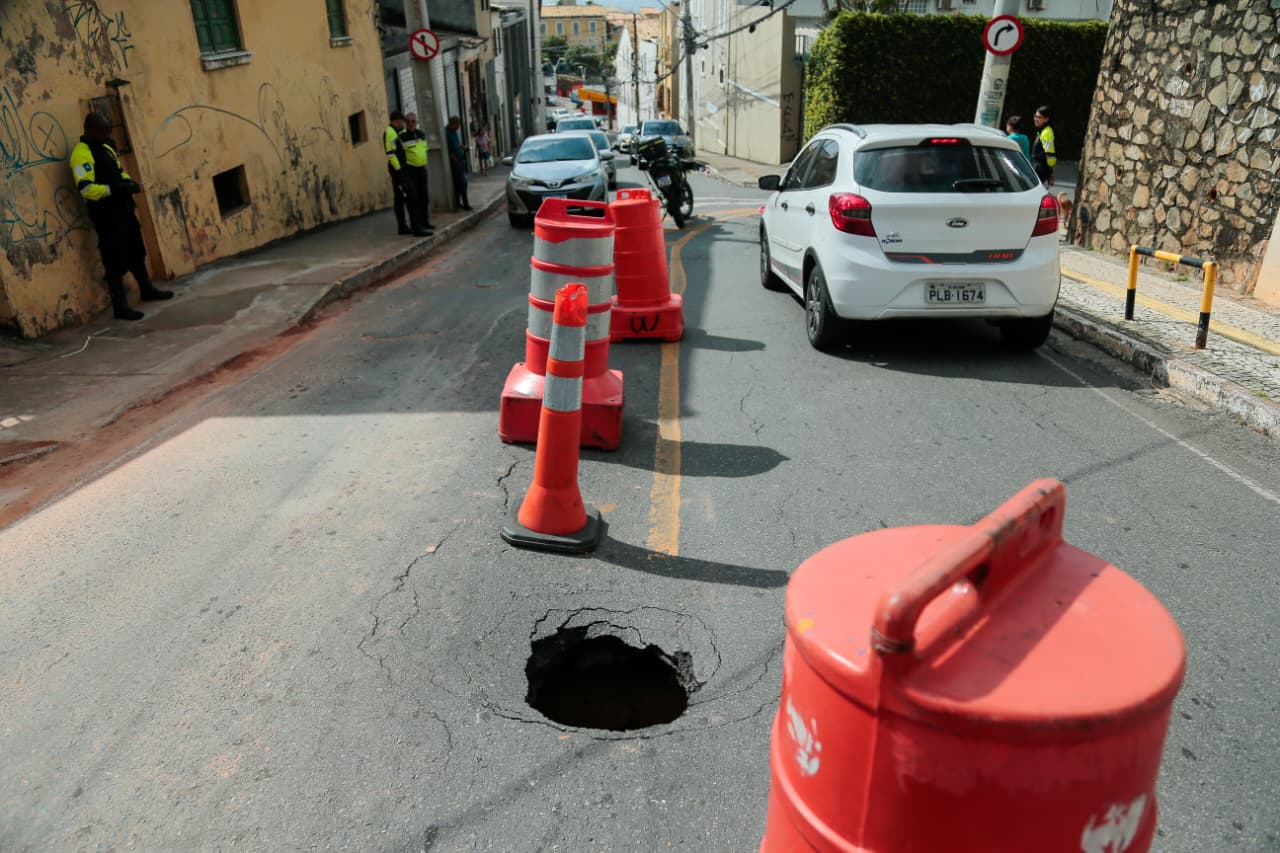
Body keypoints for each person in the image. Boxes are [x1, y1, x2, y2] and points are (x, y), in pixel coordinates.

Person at [70, 112, 173, 321]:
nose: (108, 136)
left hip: (124, 210)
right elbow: (86, 189)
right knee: (114, 259)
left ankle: (146, 289)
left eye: (109, 132)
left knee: (136, 250)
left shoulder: (106, 148)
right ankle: (120, 306)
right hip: (107, 215)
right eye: (104, 132)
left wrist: (128, 183)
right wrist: (113, 189)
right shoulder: (81, 155)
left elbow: (118, 172)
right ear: (90, 131)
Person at [384, 111, 430, 237]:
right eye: (403, 121)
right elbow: (391, 154)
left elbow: (424, 149)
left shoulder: (414, 133)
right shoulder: (392, 133)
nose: (404, 124)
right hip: (402, 171)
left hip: (412, 170)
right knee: (410, 199)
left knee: (418, 197)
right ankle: (412, 227)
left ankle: (416, 225)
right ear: (393, 121)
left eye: (411, 121)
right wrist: (400, 171)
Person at [400, 113, 435, 233]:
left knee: (424, 198)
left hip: (421, 170)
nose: (411, 123)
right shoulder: (402, 137)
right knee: (413, 200)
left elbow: (424, 149)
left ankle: (425, 221)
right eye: (408, 121)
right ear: (405, 122)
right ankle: (416, 227)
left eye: (413, 121)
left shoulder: (421, 134)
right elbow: (399, 156)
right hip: (410, 171)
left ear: (417, 122)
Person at [445, 116, 472, 211]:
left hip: (460, 160)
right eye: (457, 125)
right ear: (452, 124)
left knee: (458, 184)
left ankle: (457, 203)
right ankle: (465, 204)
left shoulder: (454, 132)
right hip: (454, 163)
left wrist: (462, 147)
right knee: (462, 183)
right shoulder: (446, 133)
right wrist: (457, 162)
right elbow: (450, 151)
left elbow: (456, 144)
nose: (458, 127)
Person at [1031, 105, 1057, 186]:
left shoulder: (1047, 132)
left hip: (1040, 169)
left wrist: (1050, 173)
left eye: (1039, 117)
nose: (1035, 119)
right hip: (1037, 167)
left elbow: (1050, 154)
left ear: (1046, 119)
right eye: (1035, 116)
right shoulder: (1042, 130)